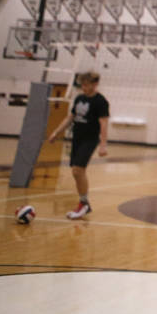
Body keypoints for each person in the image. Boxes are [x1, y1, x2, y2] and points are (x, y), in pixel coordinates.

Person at [47, 71, 109, 219]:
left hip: (90, 139)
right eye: (82, 85)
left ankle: (84, 203)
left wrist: (103, 144)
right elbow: (71, 117)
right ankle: (83, 202)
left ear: (95, 85)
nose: (83, 87)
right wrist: (56, 132)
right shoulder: (80, 98)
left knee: (77, 170)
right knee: (76, 172)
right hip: (77, 138)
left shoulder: (101, 102)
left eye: (86, 85)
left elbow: (104, 123)